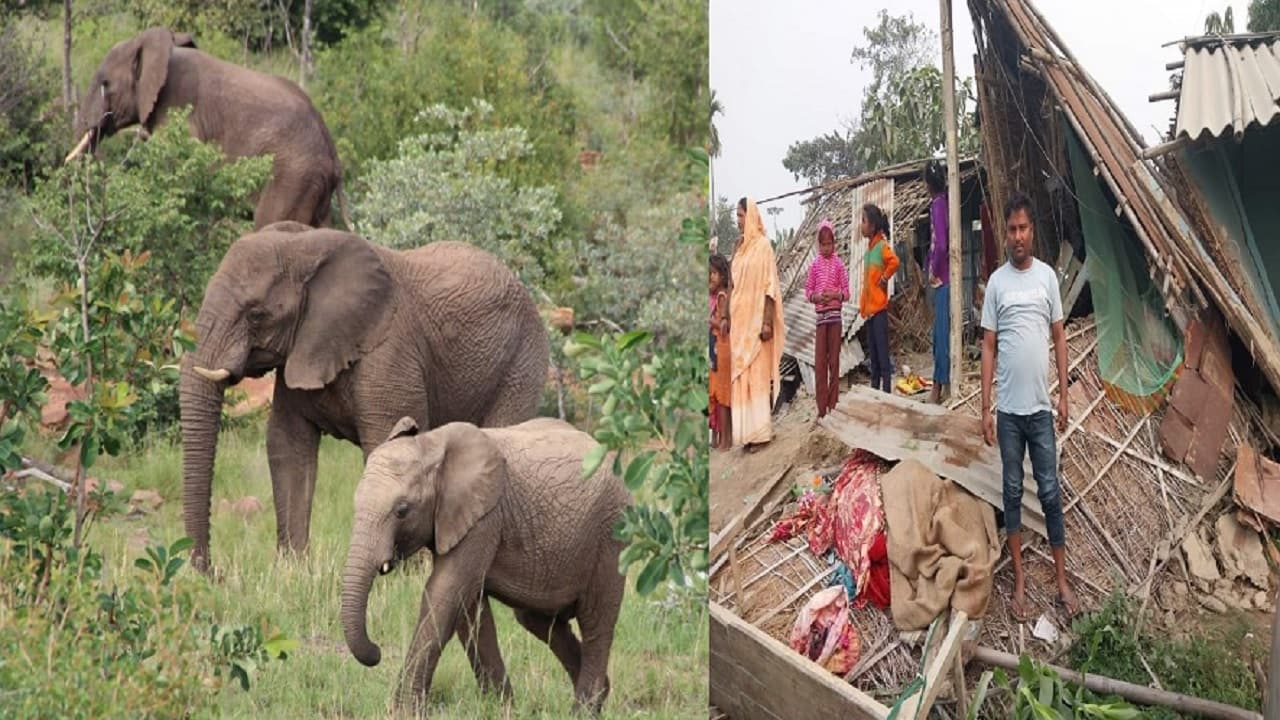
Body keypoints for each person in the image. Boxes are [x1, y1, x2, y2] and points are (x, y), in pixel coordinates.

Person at [980, 190, 1079, 621]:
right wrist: (985, 408)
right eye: (1011, 229)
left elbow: (1059, 335)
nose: (1017, 236)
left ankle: (1060, 580)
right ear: (1005, 234)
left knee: (1052, 493)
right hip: (1008, 414)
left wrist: (1064, 393)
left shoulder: (1047, 279)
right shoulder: (997, 284)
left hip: (1040, 410)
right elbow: (987, 346)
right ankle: (1020, 580)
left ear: (1032, 231)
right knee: (1014, 494)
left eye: (1023, 228)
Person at [730, 197, 784, 452]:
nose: (738, 220)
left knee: (758, 380)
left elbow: (769, 287)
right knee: (741, 381)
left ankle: (760, 433)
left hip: (756, 326)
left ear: (750, 216)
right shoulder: (739, 248)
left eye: (741, 215)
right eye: (737, 215)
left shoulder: (763, 247)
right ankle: (745, 435)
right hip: (739, 327)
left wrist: (766, 322)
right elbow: (733, 286)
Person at [804, 218, 850, 418]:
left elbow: (847, 293)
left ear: (834, 243)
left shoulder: (839, 264)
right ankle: (821, 408)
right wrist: (817, 298)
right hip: (821, 320)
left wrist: (835, 296)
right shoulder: (814, 266)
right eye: (822, 244)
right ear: (818, 245)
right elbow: (808, 292)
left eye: (829, 244)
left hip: (835, 319)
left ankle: (834, 404)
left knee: (834, 363)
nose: (826, 248)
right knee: (820, 363)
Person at [857, 203, 898, 394]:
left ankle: (887, 393)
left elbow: (894, 262)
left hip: (879, 311)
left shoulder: (881, 246)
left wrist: (884, 277)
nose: (861, 225)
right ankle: (875, 393)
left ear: (872, 226)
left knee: (882, 356)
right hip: (870, 313)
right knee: (873, 356)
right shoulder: (869, 250)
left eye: (863, 221)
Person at [925, 161, 951, 404]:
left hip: (942, 279)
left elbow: (941, 244)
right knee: (940, 335)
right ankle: (942, 383)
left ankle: (938, 387)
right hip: (944, 278)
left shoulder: (937, 205)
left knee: (940, 337)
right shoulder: (945, 203)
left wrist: (933, 268)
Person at [709, 253, 732, 450]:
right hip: (717, 347)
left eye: (714, 273)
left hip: (722, 347)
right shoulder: (719, 296)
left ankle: (725, 442)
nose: (710, 278)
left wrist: (710, 321)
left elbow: (726, 327)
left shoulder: (723, 297)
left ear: (723, 276)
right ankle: (724, 440)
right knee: (719, 395)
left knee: (722, 396)